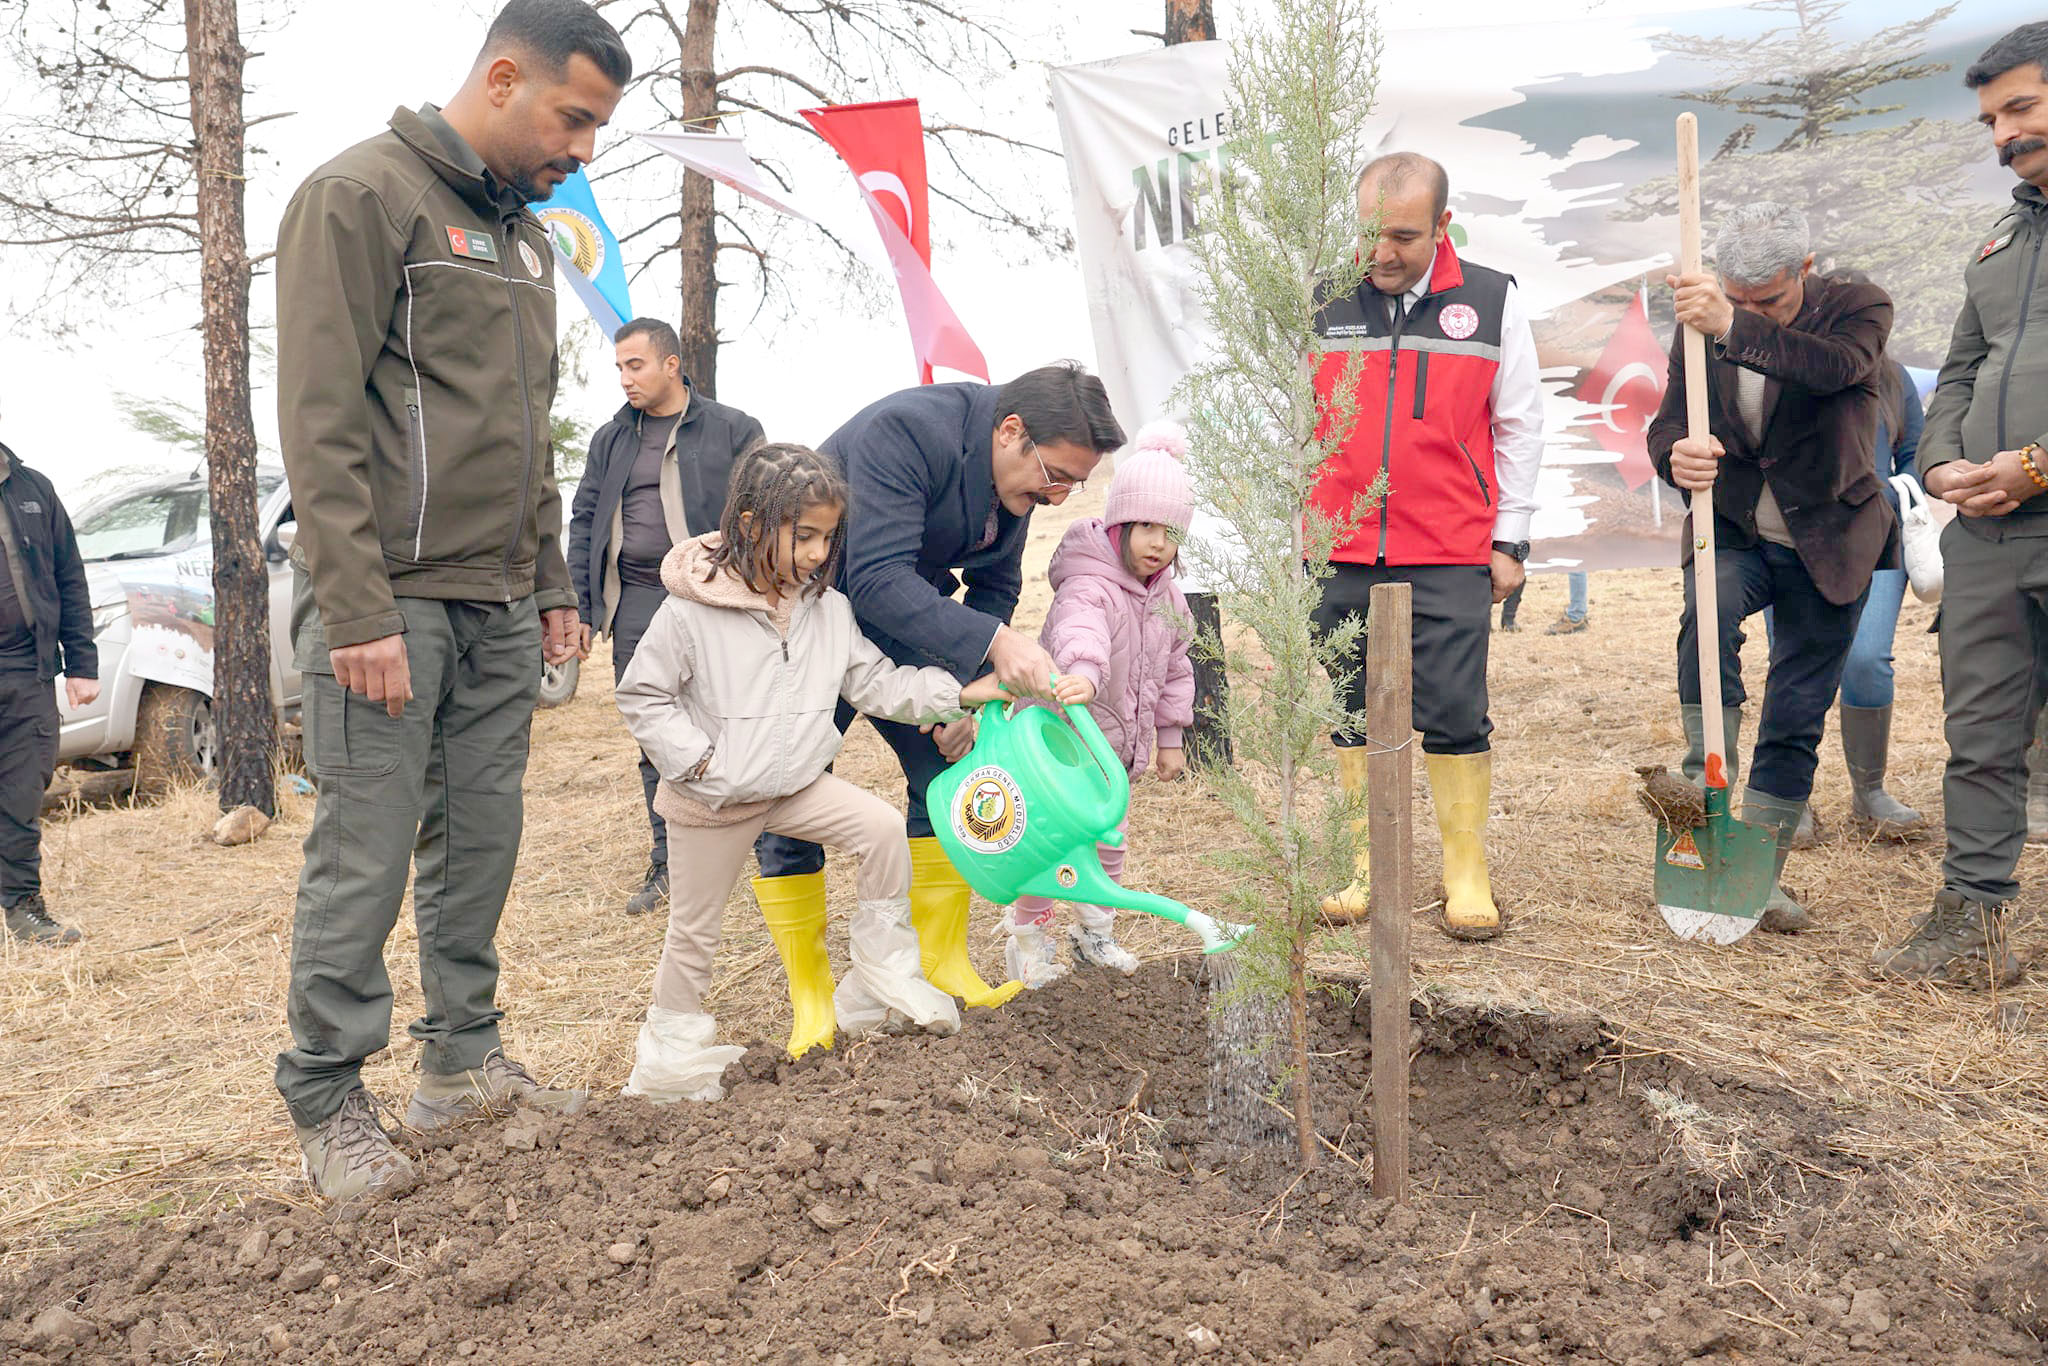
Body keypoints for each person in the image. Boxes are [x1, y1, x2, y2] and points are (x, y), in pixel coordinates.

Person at [271, 0, 628, 1203]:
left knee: (479, 841)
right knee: (364, 854)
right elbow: (318, 422)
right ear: (504, 78)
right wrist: (357, 609)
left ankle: (462, 1062)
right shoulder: (361, 196)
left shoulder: (526, 241)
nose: (581, 149)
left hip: (497, 604)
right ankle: (325, 1093)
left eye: (595, 128)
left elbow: (528, 432)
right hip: (391, 605)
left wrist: (551, 580)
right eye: (572, 117)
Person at [614, 444, 1004, 1092]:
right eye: (804, 537)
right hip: (713, 799)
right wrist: (701, 762)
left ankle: (879, 978)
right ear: (750, 525)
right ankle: (670, 1060)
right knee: (694, 933)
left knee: (882, 830)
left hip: (795, 785)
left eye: (828, 537)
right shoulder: (690, 611)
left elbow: (876, 682)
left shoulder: (827, 610)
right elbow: (643, 696)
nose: (820, 554)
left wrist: (961, 694)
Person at [753, 363, 1126, 1008]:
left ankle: (939, 960)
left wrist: (960, 693)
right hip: (812, 620)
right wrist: (994, 647)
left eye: (1075, 484)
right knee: (791, 786)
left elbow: (996, 584)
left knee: (950, 772)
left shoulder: (1017, 483)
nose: (1060, 497)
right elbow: (874, 577)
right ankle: (809, 991)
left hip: (901, 615)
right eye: (1056, 477)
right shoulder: (907, 433)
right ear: (1011, 432)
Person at [1310, 151, 1545, 941]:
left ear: (1443, 225)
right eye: (1370, 234)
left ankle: (1464, 871)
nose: (1381, 253)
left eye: (1403, 237)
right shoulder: (1322, 302)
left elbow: (1519, 424)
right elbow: (1292, 426)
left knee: (1454, 709)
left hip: (1449, 547)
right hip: (1340, 546)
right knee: (1350, 709)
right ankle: (1362, 864)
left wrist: (1509, 539)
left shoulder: (1491, 300)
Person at [1648, 202, 1897, 934]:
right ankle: (1705, 783)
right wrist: (1675, 456)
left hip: (1830, 540)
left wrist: (1732, 322)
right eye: (1740, 298)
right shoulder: (1700, 323)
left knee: (1795, 713)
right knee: (1709, 610)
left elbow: (1833, 369)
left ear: (1806, 271)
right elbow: (1668, 422)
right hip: (1734, 531)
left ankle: (1759, 874)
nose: (1753, 311)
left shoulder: (1857, 306)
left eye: (1770, 301)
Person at [1872, 22, 2048, 987]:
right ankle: (1970, 923)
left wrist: (2039, 465)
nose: (2003, 135)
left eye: (2021, 108)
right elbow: (1961, 371)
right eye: (1991, 120)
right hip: (1987, 530)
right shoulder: (2001, 240)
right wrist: (1941, 469)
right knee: (1980, 732)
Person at [568, 317, 765, 915]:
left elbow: (763, 512)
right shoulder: (610, 439)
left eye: (636, 365)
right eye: (619, 368)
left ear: (672, 364)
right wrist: (582, 604)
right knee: (656, 732)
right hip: (635, 602)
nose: (625, 378)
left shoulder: (734, 428)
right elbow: (584, 520)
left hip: (713, 598)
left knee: (735, 720)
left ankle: (763, 850)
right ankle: (670, 863)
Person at [1001, 421, 1195, 988]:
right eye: (1147, 527)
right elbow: (1078, 629)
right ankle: (1029, 941)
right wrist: (1084, 674)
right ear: (1120, 523)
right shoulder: (1090, 582)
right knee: (1051, 845)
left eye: (1171, 533)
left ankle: (1094, 934)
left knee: (1109, 842)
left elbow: (1177, 670)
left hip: (1111, 756)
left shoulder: (1170, 599)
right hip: (1063, 747)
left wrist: (1170, 738)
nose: (1158, 543)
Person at [1770, 352, 1927, 845]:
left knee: (1867, 659)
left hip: (1874, 539)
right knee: (1794, 665)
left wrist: (1891, 497)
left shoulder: (1893, 375)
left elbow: (1915, 456)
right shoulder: (1782, 363)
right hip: (1794, 540)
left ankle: (1870, 792)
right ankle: (1789, 798)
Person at [0, 437, 98, 946]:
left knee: (21, 793)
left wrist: (82, 663)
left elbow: (69, 576)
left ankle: (22, 908)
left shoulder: (32, 488)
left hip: (25, 668)